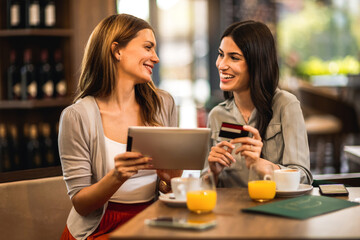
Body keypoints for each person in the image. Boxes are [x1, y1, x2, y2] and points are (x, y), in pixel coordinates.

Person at [59, 14, 182, 240]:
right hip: (99, 228)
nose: (155, 58)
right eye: (148, 47)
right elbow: (81, 204)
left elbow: (168, 189)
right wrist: (117, 176)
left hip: (152, 219)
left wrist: (170, 178)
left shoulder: (164, 104)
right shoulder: (76, 117)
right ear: (117, 50)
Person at [207, 20, 313, 187]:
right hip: (231, 210)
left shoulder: (286, 105)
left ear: (257, 62)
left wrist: (266, 167)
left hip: (275, 209)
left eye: (234, 58)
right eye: (221, 54)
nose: (221, 64)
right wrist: (213, 172)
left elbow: (303, 178)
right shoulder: (217, 115)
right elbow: (204, 186)